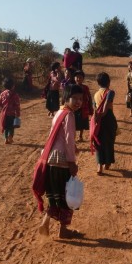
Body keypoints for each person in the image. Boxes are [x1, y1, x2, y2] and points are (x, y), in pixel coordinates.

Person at [33, 84, 83, 238]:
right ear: (66, 98)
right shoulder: (69, 115)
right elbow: (68, 139)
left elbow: (56, 136)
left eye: (80, 99)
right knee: (68, 195)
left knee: (55, 194)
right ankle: (64, 229)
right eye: (74, 98)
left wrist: (73, 147)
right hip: (62, 161)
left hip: (51, 159)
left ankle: (46, 221)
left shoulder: (59, 112)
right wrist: (72, 162)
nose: (77, 102)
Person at [91, 72, 118, 175]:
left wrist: (96, 118)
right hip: (108, 118)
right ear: (109, 82)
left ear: (98, 83)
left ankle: (99, 165)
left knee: (98, 141)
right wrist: (103, 114)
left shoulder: (95, 94)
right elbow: (106, 105)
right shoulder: (110, 92)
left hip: (97, 118)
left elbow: (94, 107)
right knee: (109, 141)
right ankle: (107, 163)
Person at [0, 78, 21, 144]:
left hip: (4, 114)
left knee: (5, 127)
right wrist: (18, 113)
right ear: (12, 86)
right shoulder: (15, 95)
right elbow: (17, 105)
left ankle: (6, 139)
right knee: (11, 127)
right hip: (12, 114)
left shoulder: (2, 94)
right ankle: (10, 136)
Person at [74, 70, 93, 142]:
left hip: (83, 108)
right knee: (73, 123)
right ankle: (73, 137)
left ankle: (80, 136)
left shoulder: (85, 88)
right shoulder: (72, 87)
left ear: (83, 78)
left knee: (82, 123)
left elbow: (89, 97)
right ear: (74, 78)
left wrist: (90, 108)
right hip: (74, 108)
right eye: (77, 77)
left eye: (80, 77)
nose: (78, 79)